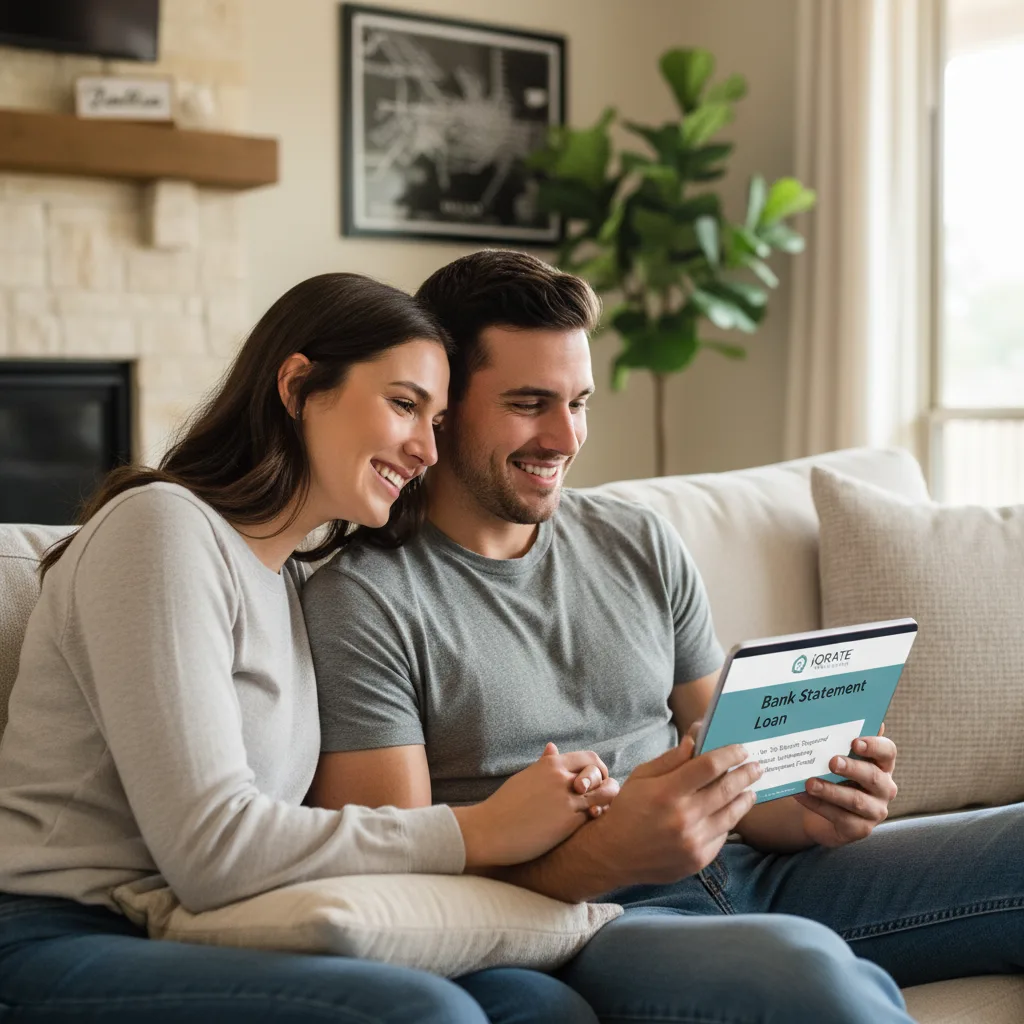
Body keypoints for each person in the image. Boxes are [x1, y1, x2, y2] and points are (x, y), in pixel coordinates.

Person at [302, 251, 1024, 1024]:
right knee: (806, 975)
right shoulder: (365, 599)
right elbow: (401, 892)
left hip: (752, 873)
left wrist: (812, 806)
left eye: (579, 402)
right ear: (441, 403)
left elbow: (731, 772)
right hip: (592, 921)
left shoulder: (637, 541)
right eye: (529, 403)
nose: (564, 436)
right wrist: (608, 851)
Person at [0, 272, 613, 1024]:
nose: (427, 449)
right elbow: (213, 850)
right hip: (57, 931)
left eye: (437, 419)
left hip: (212, 927)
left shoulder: (295, 581)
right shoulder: (160, 529)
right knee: (424, 1014)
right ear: (297, 387)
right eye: (403, 404)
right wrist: (480, 828)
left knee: (539, 1004)